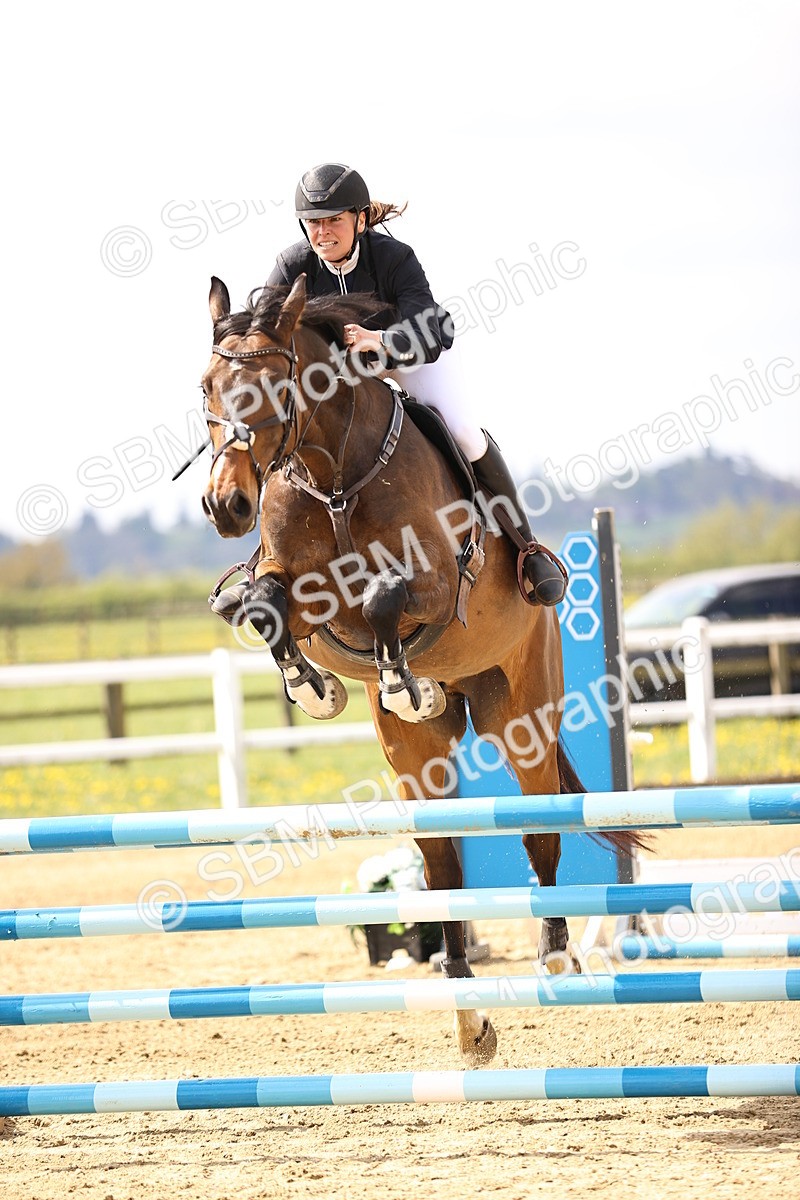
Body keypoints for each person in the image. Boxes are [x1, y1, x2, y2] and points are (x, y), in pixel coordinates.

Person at [214, 162, 566, 612]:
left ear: (360, 219)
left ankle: (526, 548)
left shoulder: (394, 258)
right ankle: (262, 564)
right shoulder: (291, 265)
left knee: (463, 432)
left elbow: (428, 331)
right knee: (285, 433)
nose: (322, 232)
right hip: (341, 377)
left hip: (409, 357)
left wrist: (380, 341)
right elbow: (270, 334)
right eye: (313, 222)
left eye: (333, 220)